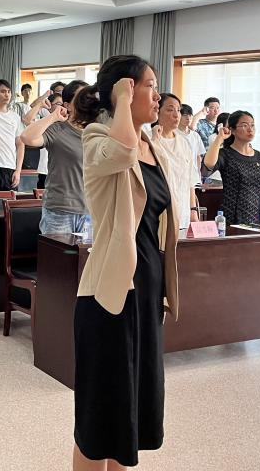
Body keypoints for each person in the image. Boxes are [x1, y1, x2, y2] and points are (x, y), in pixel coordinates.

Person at [70, 54, 179, 470]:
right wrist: (119, 103)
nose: (158, 96)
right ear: (125, 91)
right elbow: (120, 152)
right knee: (100, 420)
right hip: (111, 295)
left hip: (146, 292)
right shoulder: (97, 138)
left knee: (129, 416)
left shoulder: (151, 144)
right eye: (149, 86)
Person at [19, 82, 89, 234]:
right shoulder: (57, 129)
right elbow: (26, 137)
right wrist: (53, 116)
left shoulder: (96, 131)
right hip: (60, 211)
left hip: (90, 212)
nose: (87, 101)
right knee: (56, 250)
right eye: (81, 97)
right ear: (67, 105)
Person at [202, 110, 260, 227]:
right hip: (232, 217)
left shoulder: (259, 157)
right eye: (244, 125)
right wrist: (219, 138)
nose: (250, 129)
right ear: (232, 130)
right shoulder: (225, 154)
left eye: (252, 125)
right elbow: (207, 165)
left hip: (256, 218)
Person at [151, 93, 200, 229]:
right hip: (157, 214)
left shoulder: (183, 143)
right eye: (170, 110)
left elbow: (190, 180)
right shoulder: (149, 140)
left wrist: (193, 210)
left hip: (183, 212)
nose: (176, 115)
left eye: (178, 110)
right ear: (157, 111)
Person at [179, 104, 205, 184]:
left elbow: (198, 156)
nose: (188, 118)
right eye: (184, 115)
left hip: (193, 175)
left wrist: (199, 174)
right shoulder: (173, 134)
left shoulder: (195, 135)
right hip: (179, 175)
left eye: (190, 115)